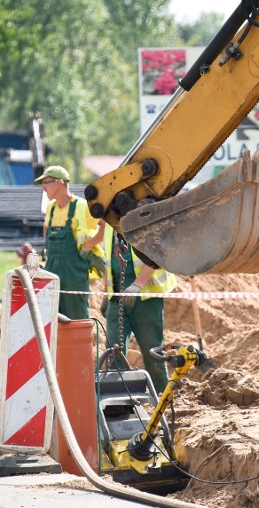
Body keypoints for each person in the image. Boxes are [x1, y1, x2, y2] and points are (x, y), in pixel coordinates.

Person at [102, 227, 177, 394]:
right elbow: (107, 261)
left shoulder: (144, 221)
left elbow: (155, 258)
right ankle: (117, 397)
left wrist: (137, 285)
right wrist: (106, 296)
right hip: (117, 297)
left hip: (146, 299)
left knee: (152, 353)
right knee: (113, 351)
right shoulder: (109, 226)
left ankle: (162, 396)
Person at [36, 165, 104, 320]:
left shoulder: (81, 206)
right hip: (52, 271)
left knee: (77, 317)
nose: (44, 188)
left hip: (74, 274)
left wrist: (88, 245)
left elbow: (105, 226)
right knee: (51, 318)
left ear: (59, 183)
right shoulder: (51, 208)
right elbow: (46, 228)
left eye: (46, 183)